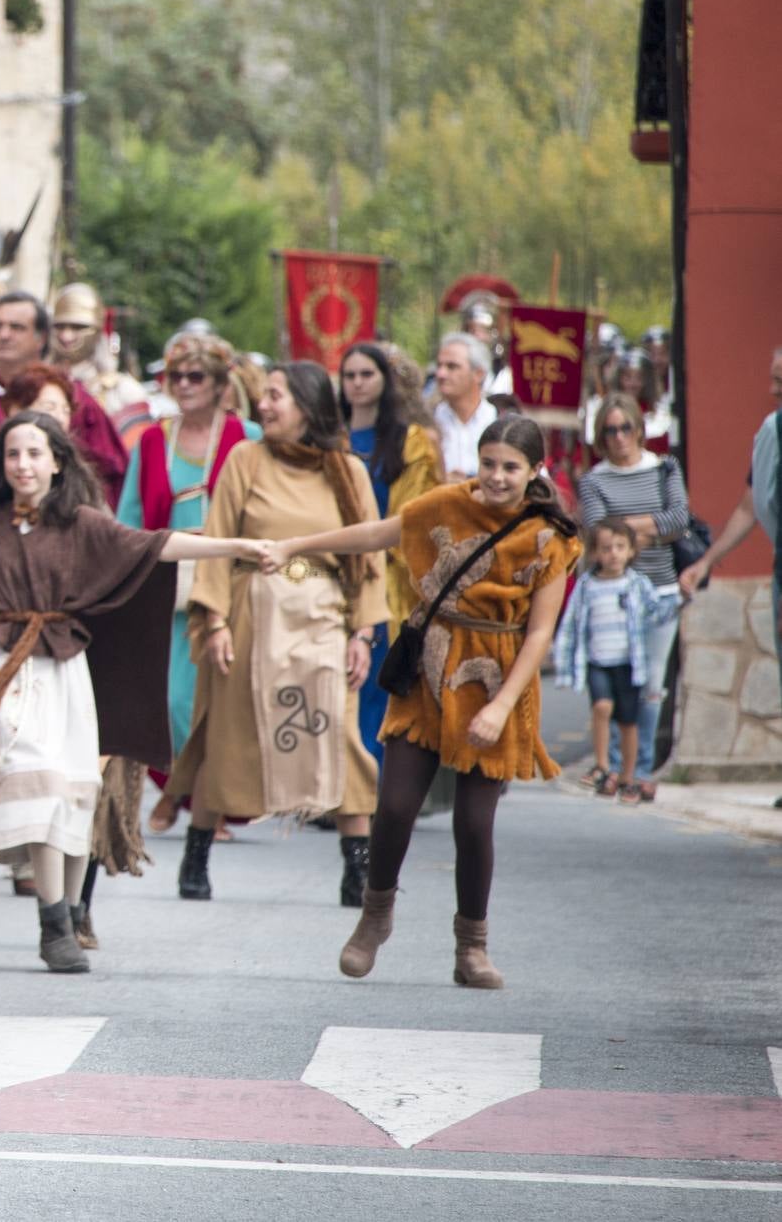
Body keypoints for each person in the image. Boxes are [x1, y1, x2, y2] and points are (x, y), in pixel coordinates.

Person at [0, 412, 263, 972]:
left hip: (66, 671)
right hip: (10, 675)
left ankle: (72, 912)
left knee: (76, 792)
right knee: (38, 783)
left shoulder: (83, 525)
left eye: (35, 453)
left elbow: (156, 546)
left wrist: (236, 547)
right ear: (0, 463)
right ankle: (53, 921)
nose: (23, 465)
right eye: (12, 454)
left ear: (58, 461)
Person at [265, 416, 581, 989]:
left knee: (473, 824)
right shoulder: (447, 504)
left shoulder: (550, 537)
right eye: (488, 463)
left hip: (496, 682)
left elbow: (539, 635)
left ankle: (472, 947)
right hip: (429, 672)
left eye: (511, 467)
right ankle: (374, 916)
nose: (496, 477)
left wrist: (501, 708)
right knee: (394, 806)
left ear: (535, 471)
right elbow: (376, 534)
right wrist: (295, 544)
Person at [158, 362, 387, 905]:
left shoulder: (347, 471)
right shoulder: (246, 459)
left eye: (276, 396)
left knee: (339, 740)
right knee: (227, 738)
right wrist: (212, 621)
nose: (264, 405)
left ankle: (357, 870)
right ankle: (197, 856)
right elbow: (219, 539)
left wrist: (364, 635)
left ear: (307, 405)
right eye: (265, 395)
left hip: (325, 623)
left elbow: (368, 557)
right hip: (250, 622)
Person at [125, 333, 260, 842]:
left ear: (221, 384)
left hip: (232, 582)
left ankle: (203, 799)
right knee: (174, 703)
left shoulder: (246, 436)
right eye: (174, 376)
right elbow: (131, 516)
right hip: (171, 584)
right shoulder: (153, 439)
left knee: (223, 703)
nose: (183, 385)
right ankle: (181, 788)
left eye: (195, 376)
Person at [677, 346, 782, 801]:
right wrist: (705, 561)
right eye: (773, 377)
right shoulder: (773, 432)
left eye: (780, 378)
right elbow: (749, 505)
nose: (773, 387)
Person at [577, 391, 692, 791]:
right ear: (600, 436)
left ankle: (641, 770)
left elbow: (679, 518)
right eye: (610, 430)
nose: (619, 437)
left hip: (659, 590)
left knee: (651, 685)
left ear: (639, 430)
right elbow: (596, 530)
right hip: (611, 596)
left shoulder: (664, 469)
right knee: (613, 683)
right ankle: (612, 768)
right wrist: (649, 531)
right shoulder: (594, 480)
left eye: (626, 427)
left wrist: (622, 531)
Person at [340, 342, 442, 768]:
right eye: (350, 375)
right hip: (331, 571)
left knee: (376, 685)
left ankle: (369, 791)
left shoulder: (411, 442)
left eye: (367, 374)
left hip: (389, 579)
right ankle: (333, 790)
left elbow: (415, 516)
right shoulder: (327, 438)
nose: (358, 383)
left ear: (385, 382)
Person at [0, 292, 128, 503]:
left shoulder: (71, 395)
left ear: (41, 337)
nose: (4, 335)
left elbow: (109, 474)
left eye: (17, 327)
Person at [554, 518, 684, 803]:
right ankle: (602, 765)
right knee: (601, 707)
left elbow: (656, 612)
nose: (613, 553)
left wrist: (680, 600)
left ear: (631, 552)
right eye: (605, 548)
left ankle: (628, 776)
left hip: (628, 663)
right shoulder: (587, 585)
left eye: (619, 547)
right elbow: (571, 624)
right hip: (598, 660)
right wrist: (564, 665)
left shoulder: (637, 584)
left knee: (628, 723)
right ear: (594, 553)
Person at [52, 283, 150, 438]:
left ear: (97, 331)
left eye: (77, 327)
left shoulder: (125, 391)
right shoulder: (37, 384)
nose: (66, 336)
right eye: (60, 326)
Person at [432, 332, 499, 482]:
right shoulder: (426, 422)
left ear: (479, 374)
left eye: (452, 366)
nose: (441, 374)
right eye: (439, 365)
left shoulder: (500, 420)